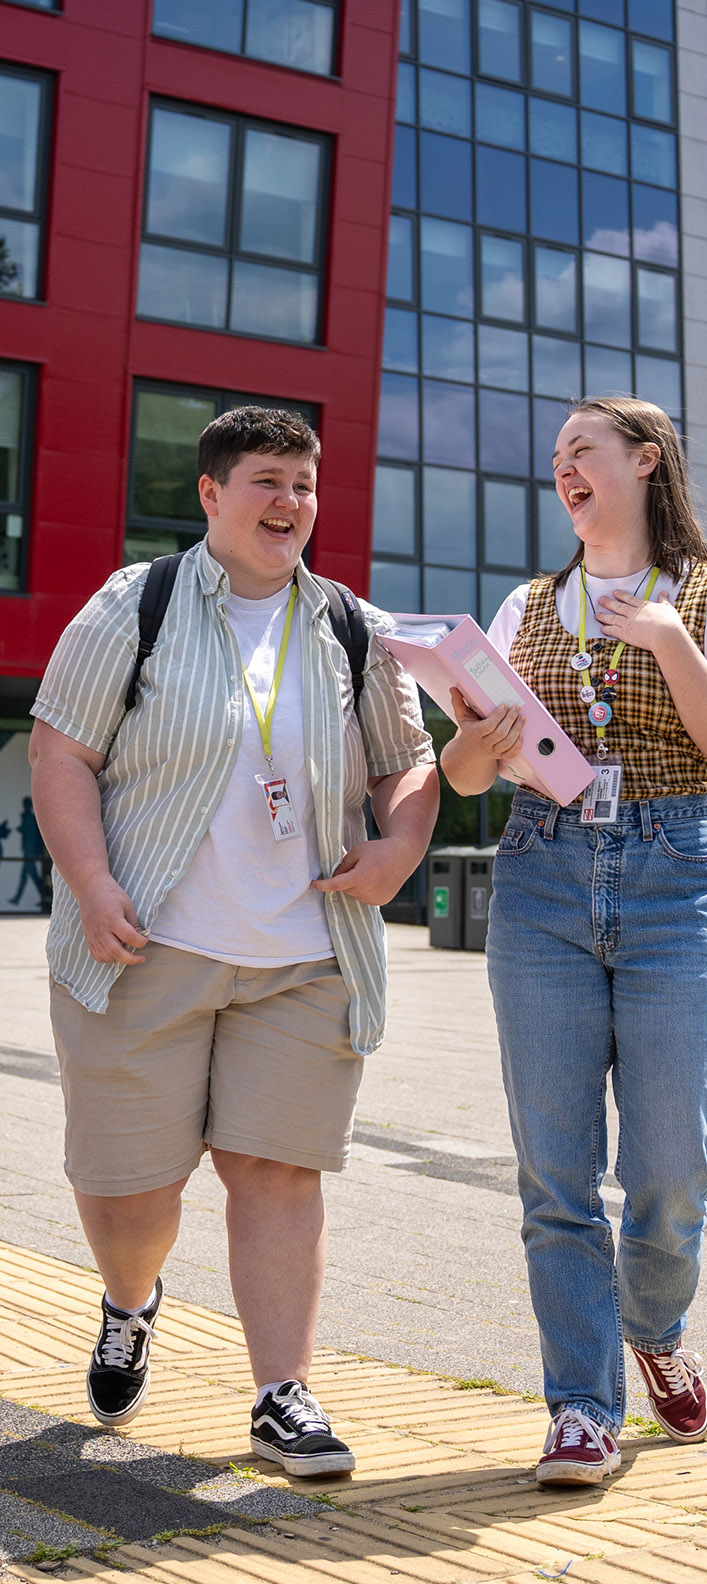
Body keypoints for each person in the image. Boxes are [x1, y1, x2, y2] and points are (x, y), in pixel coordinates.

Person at [29, 407, 438, 1477]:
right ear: (210, 494)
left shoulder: (351, 623)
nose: (290, 503)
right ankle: (130, 1301)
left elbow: (407, 759)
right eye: (266, 481)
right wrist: (91, 879)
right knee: (131, 1196)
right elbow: (61, 749)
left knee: (276, 1171)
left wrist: (396, 849)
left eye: (303, 485)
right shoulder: (139, 603)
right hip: (142, 946)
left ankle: (279, 1395)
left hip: (303, 958)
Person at [441, 396, 707, 1487]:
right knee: (555, 1171)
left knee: (671, 1166)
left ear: (644, 461)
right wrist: (476, 747)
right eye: (554, 459)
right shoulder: (527, 602)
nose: (562, 469)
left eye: (581, 449)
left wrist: (671, 641)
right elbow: (460, 777)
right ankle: (578, 1407)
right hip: (539, 871)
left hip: (671, 874)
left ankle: (653, 1327)